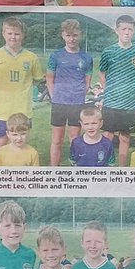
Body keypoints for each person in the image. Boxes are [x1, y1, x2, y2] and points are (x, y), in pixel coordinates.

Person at [0, 17, 46, 156]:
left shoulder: (31, 57)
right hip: (2, 110)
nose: (13, 37)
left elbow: (37, 79)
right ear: (3, 33)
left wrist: (22, 86)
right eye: (9, 33)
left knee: (20, 142)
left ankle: (17, 171)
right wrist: (1, 86)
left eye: (17, 34)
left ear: (23, 35)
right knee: (0, 141)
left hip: (23, 110)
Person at [95, 15, 135, 160]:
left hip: (129, 105)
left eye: (130, 29)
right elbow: (101, 73)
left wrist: (133, 90)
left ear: (134, 31)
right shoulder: (108, 52)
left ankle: (122, 168)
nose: (127, 32)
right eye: (123, 29)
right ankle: (103, 165)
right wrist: (109, 90)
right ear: (116, 30)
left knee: (125, 138)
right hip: (111, 103)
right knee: (107, 136)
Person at [47, 18, 93, 165]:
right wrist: (54, 96)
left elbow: (87, 81)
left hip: (77, 103)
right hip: (59, 103)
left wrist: (79, 95)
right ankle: (54, 170)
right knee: (57, 140)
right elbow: (49, 78)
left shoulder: (87, 57)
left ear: (80, 35)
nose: (71, 39)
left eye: (74, 35)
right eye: (68, 35)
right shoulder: (56, 56)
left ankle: (75, 170)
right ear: (63, 35)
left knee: (75, 139)